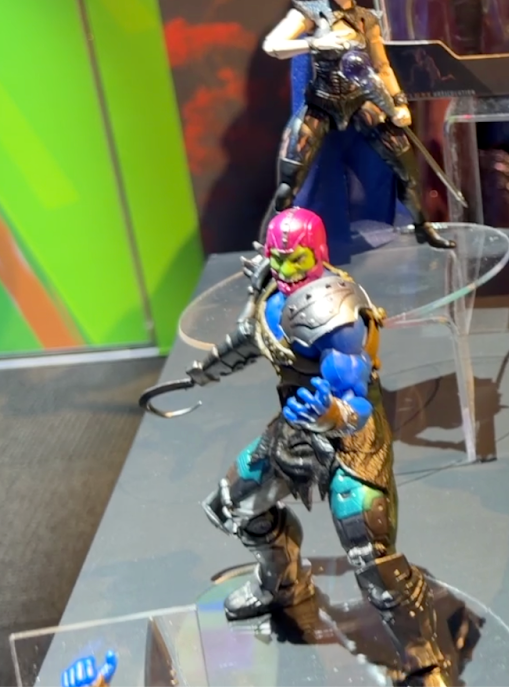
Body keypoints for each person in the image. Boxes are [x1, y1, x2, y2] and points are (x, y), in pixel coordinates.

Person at [191, 208, 454, 685]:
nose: (285, 271)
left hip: (351, 444)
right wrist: (206, 370)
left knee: (372, 558)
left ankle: (423, 659)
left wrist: (333, 415)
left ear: (319, 254)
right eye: (278, 260)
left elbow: (356, 399)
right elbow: (253, 336)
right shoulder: (270, 288)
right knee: (234, 504)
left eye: (297, 260)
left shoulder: (336, 313)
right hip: (296, 430)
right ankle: (283, 580)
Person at [261, 0, 453, 249]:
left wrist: (399, 102)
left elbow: (382, 67)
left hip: (362, 101)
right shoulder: (310, 12)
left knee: (405, 168)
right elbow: (272, 46)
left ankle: (423, 228)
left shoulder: (367, 20)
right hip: (321, 103)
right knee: (290, 177)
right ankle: (278, 245)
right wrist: (316, 43)